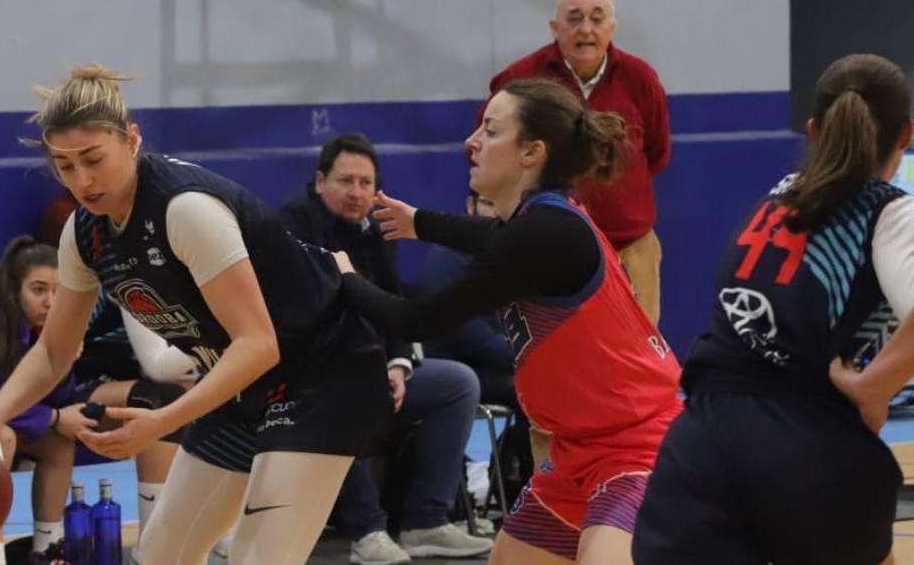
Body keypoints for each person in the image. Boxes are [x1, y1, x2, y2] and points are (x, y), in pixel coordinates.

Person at [0, 64, 393, 565]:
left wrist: (163, 421)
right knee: (161, 554)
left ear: (131, 140)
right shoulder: (84, 234)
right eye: (64, 166)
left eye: (93, 159)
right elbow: (55, 351)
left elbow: (258, 342)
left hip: (324, 374)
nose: (82, 180)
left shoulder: (185, 209)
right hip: (244, 383)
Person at [332, 79, 682, 564]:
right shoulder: (542, 220)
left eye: (491, 131)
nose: (471, 142)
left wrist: (343, 276)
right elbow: (493, 235)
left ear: (531, 153)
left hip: (639, 447)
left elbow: (417, 319)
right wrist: (420, 223)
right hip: (578, 453)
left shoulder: (545, 232)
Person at [633, 54, 914, 565]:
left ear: (813, 130)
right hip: (805, 444)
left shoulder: (778, 196)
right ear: (907, 135)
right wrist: (876, 387)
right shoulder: (890, 211)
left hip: (700, 440)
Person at [0, 236, 182, 561]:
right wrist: (55, 418)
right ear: (14, 289)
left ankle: (46, 547)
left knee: (57, 443)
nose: (50, 301)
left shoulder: (47, 325)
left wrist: (65, 364)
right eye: (39, 290)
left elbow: (53, 395)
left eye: (58, 291)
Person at [279, 133, 490, 563]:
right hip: (311, 378)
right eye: (346, 181)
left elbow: (395, 306)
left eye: (366, 183)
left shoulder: (376, 231)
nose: (356, 193)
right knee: (342, 392)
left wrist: (398, 365)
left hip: (376, 369)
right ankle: (367, 531)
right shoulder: (290, 229)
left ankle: (425, 521)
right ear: (319, 182)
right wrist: (372, 367)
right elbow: (307, 322)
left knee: (457, 383)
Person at [488, 0, 670, 324]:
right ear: (555, 28)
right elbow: (489, 151)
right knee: (559, 348)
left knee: (638, 348)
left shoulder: (640, 78)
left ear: (611, 28)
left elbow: (656, 153)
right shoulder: (521, 81)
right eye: (574, 19)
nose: (586, 29)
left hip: (632, 247)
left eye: (596, 19)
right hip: (549, 249)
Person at [413, 187, 536, 490]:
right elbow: (468, 335)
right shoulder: (447, 259)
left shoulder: (509, 258)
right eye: (488, 203)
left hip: (487, 364)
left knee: (546, 381)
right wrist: (525, 356)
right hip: (453, 366)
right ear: (470, 205)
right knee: (533, 389)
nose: (496, 212)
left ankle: (512, 476)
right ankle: (528, 485)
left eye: (504, 204)